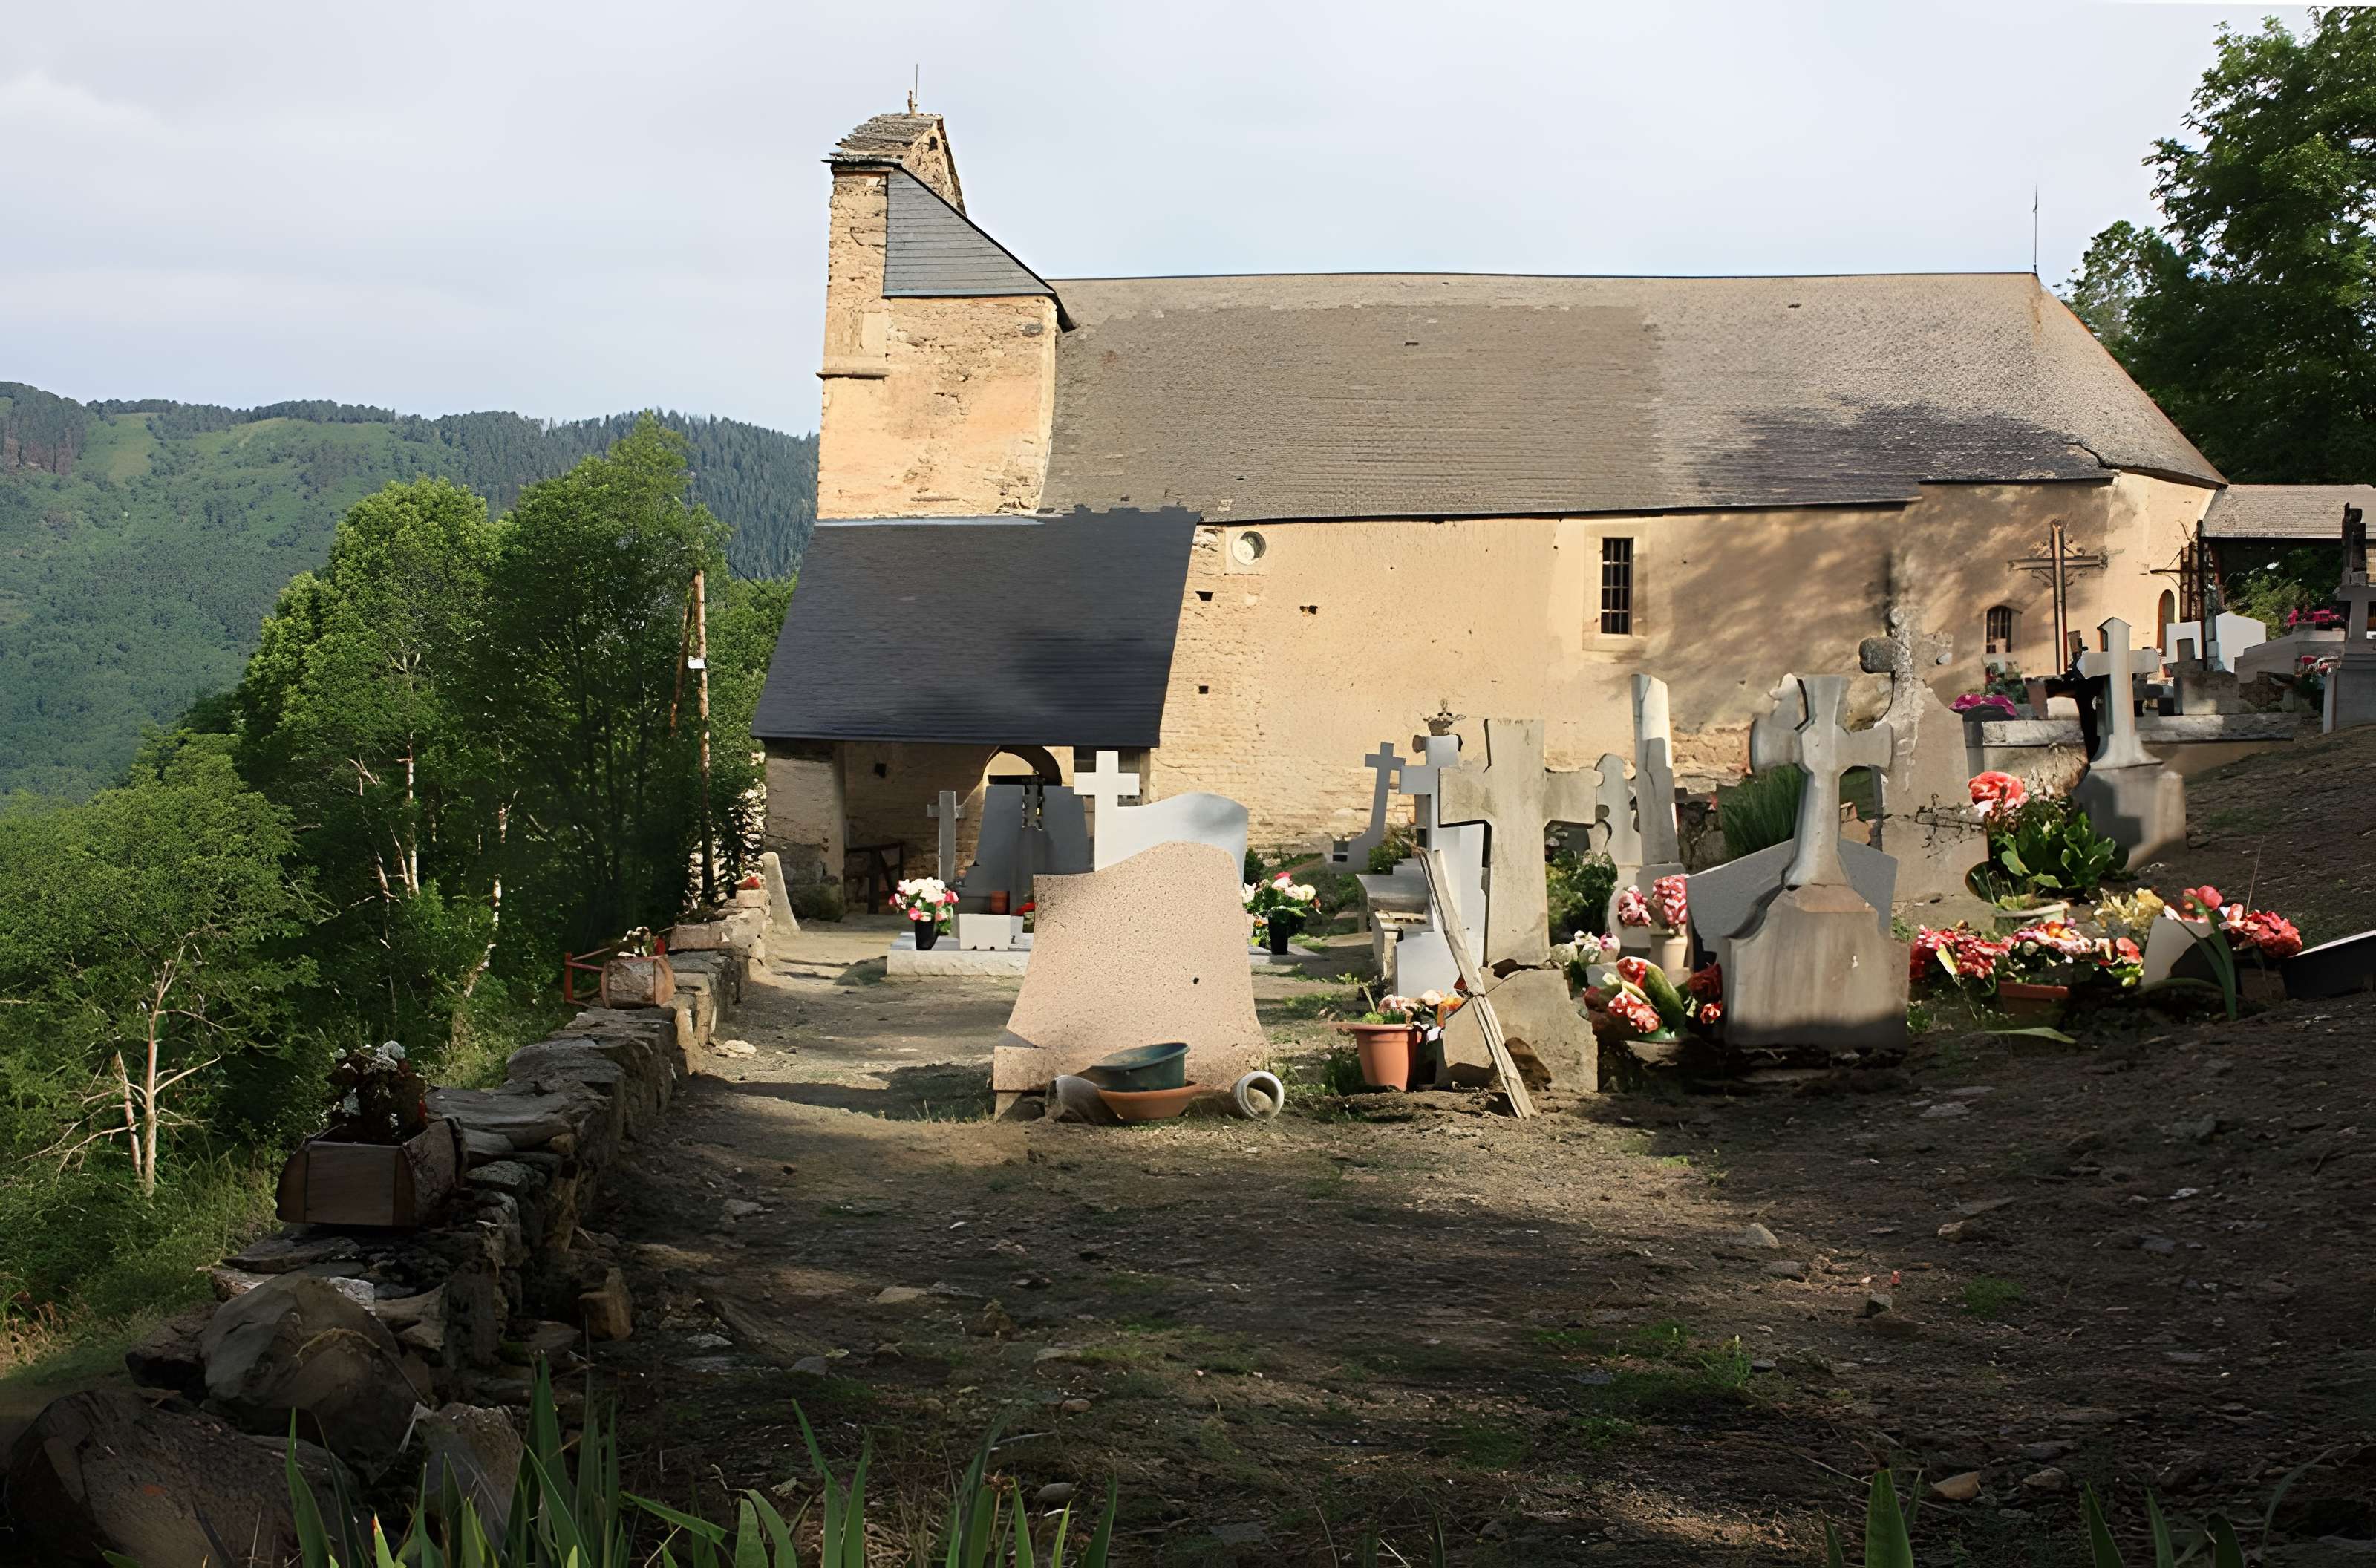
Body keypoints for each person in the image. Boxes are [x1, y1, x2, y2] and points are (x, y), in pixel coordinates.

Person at [2040, 634, 2106, 758]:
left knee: (2090, 728)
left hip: (2086, 698)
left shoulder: (2084, 686)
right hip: (2086, 699)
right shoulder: (2084, 687)